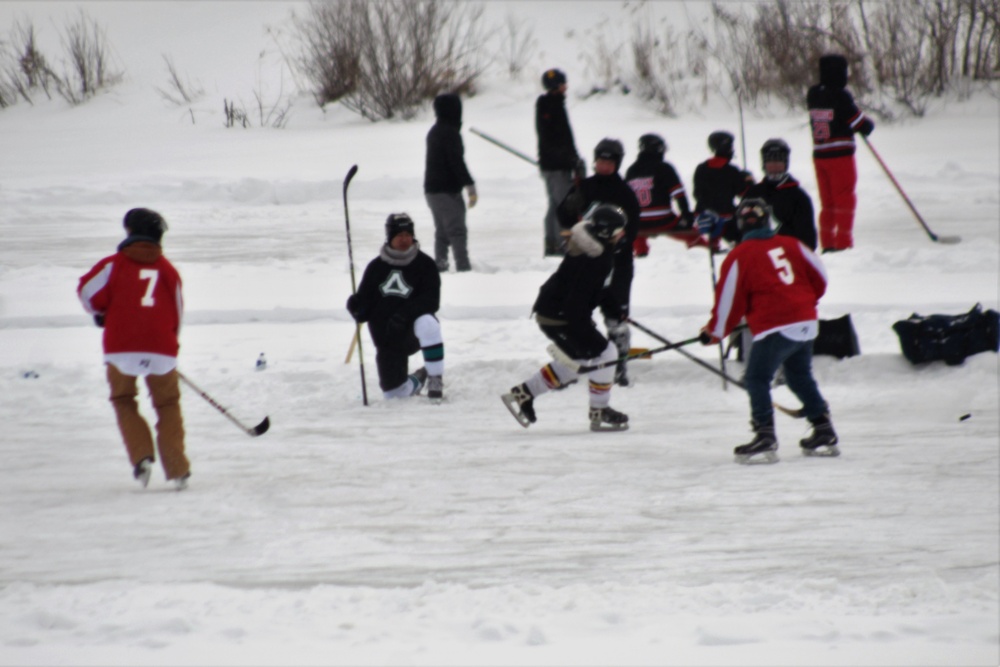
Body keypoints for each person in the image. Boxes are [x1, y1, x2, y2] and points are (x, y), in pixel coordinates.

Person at [699, 198, 839, 465]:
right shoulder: (792, 243)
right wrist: (805, 302)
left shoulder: (739, 255)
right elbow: (821, 276)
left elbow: (728, 301)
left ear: (740, 225)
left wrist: (714, 333)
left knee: (756, 378)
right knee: (799, 377)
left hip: (777, 326)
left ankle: (765, 435)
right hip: (807, 322)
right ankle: (823, 429)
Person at [77, 208, 191, 490]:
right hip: (161, 349)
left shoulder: (112, 265)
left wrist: (100, 313)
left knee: (123, 398)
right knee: (167, 404)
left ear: (130, 232)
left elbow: (86, 292)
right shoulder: (168, 271)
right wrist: (170, 347)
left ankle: (141, 457)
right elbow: (177, 312)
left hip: (121, 348)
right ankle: (178, 469)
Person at [501, 204, 630, 432]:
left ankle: (522, 394)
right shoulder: (597, 258)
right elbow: (576, 303)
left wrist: (613, 309)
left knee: (576, 363)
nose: (623, 234)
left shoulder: (596, 249)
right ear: (606, 233)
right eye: (619, 230)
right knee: (607, 353)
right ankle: (599, 410)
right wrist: (585, 328)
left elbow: (596, 290)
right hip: (559, 316)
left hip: (556, 312)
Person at [557, 138, 641, 387]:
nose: (603, 165)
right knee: (576, 314)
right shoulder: (584, 186)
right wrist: (569, 208)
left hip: (618, 265)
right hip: (585, 263)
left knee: (616, 316)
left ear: (617, 164)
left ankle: (618, 365)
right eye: (600, 161)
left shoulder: (625, 192)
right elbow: (563, 217)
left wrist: (613, 249)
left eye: (609, 162)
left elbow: (633, 229)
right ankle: (573, 363)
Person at [347, 213, 446, 402]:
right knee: (394, 395)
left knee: (429, 323)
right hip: (387, 338)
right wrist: (356, 307)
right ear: (390, 237)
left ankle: (435, 379)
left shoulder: (425, 265)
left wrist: (405, 314)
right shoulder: (376, 267)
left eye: (408, 234)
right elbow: (365, 306)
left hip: (412, 331)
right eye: (399, 235)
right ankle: (418, 379)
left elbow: (432, 301)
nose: (404, 239)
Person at [807, 53, 875, 253]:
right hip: (840, 156)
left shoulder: (813, 94)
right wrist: (866, 126)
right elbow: (859, 122)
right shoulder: (840, 94)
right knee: (844, 199)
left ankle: (827, 242)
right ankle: (843, 243)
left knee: (827, 203)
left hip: (820, 155)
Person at [424, 92, 477, 272]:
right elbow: (456, 162)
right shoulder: (450, 133)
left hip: (431, 190)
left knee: (442, 232)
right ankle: (463, 267)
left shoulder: (435, 131)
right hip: (446, 191)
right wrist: (470, 187)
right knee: (456, 231)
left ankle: (441, 265)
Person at [624, 133, 700, 256]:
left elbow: (627, 198)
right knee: (693, 233)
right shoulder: (664, 168)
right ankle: (698, 244)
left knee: (636, 229)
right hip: (664, 221)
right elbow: (678, 194)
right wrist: (686, 215)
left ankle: (640, 249)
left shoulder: (631, 170)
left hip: (640, 223)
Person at [536, 68, 585, 257]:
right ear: (556, 86)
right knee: (562, 205)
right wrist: (570, 159)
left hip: (556, 164)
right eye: (563, 83)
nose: (566, 86)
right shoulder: (549, 105)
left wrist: (574, 158)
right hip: (555, 166)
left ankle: (552, 242)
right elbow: (553, 139)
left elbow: (564, 139)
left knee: (555, 204)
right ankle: (558, 244)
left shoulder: (555, 104)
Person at [736, 139, 817, 250]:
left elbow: (808, 240)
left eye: (778, 161)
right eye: (770, 161)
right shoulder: (753, 193)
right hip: (756, 254)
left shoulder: (798, 197)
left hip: (787, 256)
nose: (774, 166)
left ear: (785, 164)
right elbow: (738, 229)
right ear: (764, 164)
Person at [692, 131, 754, 251]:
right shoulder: (731, 170)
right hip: (725, 217)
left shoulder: (701, 168)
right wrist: (748, 181)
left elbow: (697, 193)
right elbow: (744, 193)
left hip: (702, 215)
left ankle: (715, 240)